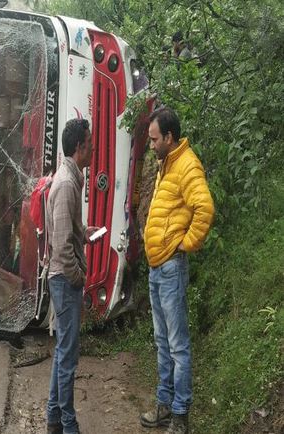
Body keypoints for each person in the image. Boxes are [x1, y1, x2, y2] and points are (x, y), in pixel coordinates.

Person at [140, 107, 214, 434]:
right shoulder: (166, 163)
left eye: (155, 139)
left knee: (178, 344)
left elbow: (205, 208)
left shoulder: (187, 165)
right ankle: (165, 405)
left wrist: (184, 244)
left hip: (171, 267)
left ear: (169, 137)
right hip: (157, 269)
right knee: (162, 341)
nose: (151, 144)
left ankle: (181, 416)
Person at [45, 119, 98, 434]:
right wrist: (79, 278)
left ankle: (54, 418)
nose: (92, 148)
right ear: (80, 147)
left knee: (63, 352)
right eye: (90, 143)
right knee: (67, 358)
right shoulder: (66, 183)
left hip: (64, 279)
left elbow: (67, 234)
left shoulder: (69, 178)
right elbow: (63, 250)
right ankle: (68, 424)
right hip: (65, 281)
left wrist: (84, 233)